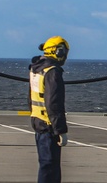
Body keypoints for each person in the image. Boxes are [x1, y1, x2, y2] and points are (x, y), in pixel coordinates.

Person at [29, 36, 69, 183]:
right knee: (50, 167)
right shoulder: (52, 72)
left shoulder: (36, 69)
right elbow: (54, 104)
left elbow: (31, 98)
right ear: (57, 52)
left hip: (38, 122)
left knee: (46, 165)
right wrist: (61, 130)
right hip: (48, 126)